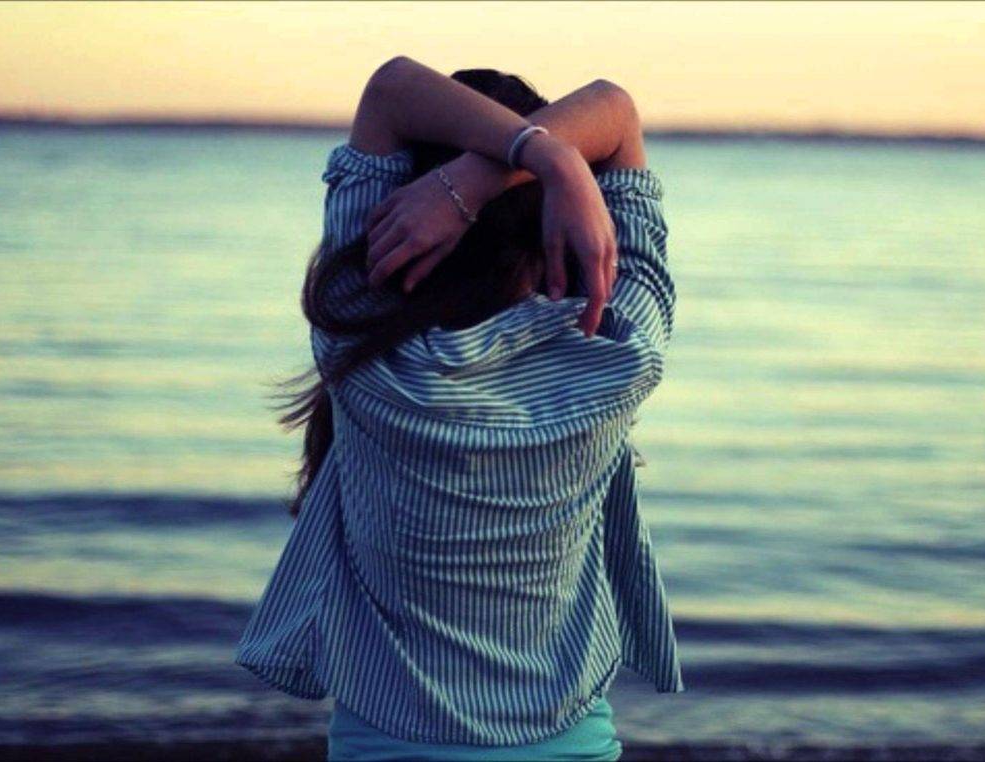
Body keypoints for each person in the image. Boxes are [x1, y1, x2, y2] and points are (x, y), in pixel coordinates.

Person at [235, 56, 684, 761]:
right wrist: (523, 172)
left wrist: (532, 161)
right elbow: (616, 111)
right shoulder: (618, 354)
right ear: (556, 224)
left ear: (400, 212)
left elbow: (390, 89)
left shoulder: (362, 343)